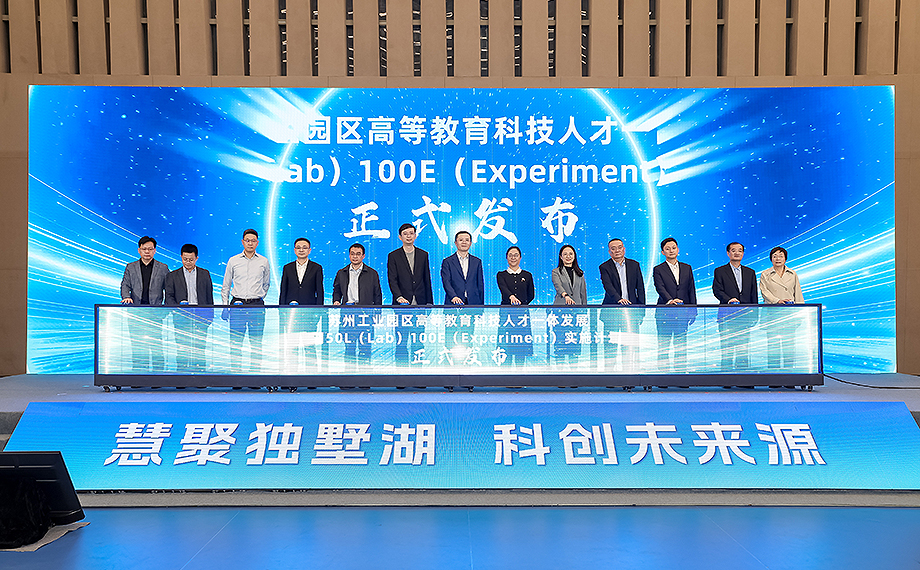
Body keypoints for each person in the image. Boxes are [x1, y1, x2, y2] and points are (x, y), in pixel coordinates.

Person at [221, 229, 271, 374]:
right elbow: (226, 286)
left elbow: (266, 284)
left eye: (253, 241)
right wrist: (225, 306)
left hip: (256, 305)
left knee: (256, 343)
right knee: (236, 343)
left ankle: (255, 375)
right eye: (247, 240)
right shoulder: (233, 260)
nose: (250, 243)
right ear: (243, 242)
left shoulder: (263, 261)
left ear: (257, 243)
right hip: (237, 305)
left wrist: (258, 297)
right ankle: (236, 375)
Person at [120, 236, 170, 372]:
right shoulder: (131, 267)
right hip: (136, 312)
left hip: (155, 313)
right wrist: (126, 297)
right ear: (139, 250)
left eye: (150, 249)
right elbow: (125, 285)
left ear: (155, 250)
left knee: (156, 345)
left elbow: (169, 289)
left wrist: (165, 309)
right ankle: (139, 373)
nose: (147, 252)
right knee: (137, 344)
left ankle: (158, 374)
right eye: (144, 249)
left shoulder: (163, 268)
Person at [386, 223, 433, 365]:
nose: (408, 236)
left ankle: (418, 371)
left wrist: (429, 302)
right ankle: (401, 372)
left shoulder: (423, 254)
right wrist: (398, 296)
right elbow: (392, 279)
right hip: (401, 305)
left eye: (411, 233)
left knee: (418, 340)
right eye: (405, 234)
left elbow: (427, 279)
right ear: (400, 237)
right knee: (402, 339)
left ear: (415, 236)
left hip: (420, 303)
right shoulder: (393, 255)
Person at [164, 244, 214, 373]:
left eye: (191, 259)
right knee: (181, 348)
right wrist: (177, 309)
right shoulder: (172, 275)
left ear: (196, 258)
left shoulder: (205, 274)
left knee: (200, 348)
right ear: (181, 257)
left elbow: (209, 296)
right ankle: (181, 375)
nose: (188, 262)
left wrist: (209, 317)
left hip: (201, 317)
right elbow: (169, 296)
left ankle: (200, 375)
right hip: (181, 317)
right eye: (185, 259)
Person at [278, 237, 324, 373]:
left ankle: (312, 376)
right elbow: (283, 291)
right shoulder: (287, 268)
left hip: (309, 315)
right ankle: (292, 376)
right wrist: (282, 313)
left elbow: (320, 292)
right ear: (294, 250)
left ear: (309, 250)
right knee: (293, 347)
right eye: (298, 247)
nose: (301, 250)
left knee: (309, 347)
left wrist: (318, 314)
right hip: (291, 315)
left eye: (304, 247)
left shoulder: (316, 268)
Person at [599, 238, 646, 370]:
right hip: (611, 312)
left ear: (624, 249)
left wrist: (641, 311)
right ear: (609, 252)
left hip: (631, 313)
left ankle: (628, 374)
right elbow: (608, 286)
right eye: (613, 248)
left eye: (619, 247)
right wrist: (619, 299)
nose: (617, 250)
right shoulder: (604, 267)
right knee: (611, 346)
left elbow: (640, 289)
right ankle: (609, 374)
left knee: (629, 345)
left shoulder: (634, 265)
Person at [332, 243, 382, 364]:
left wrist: (377, 313)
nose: (355, 256)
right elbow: (336, 290)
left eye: (358, 254)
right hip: (348, 314)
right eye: (352, 254)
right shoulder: (341, 272)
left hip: (365, 314)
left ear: (363, 256)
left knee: (365, 348)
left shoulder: (372, 273)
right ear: (349, 255)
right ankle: (348, 375)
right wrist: (336, 300)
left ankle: (365, 375)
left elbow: (377, 295)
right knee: (349, 348)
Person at [652, 237, 697, 371]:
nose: (671, 251)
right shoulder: (658, 269)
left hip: (682, 313)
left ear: (678, 249)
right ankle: (663, 375)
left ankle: (680, 374)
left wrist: (693, 311)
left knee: (681, 345)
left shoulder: (687, 268)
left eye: (673, 248)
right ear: (662, 252)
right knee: (664, 345)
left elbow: (691, 289)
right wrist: (670, 300)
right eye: (667, 249)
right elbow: (659, 287)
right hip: (664, 312)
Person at [712, 241, 758, 372]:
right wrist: (729, 299)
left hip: (745, 316)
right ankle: (726, 375)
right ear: (728, 253)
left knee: (743, 347)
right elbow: (717, 290)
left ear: (743, 253)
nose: (737, 253)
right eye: (733, 250)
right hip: (726, 316)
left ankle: (742, 375)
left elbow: (753, 295)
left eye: (740, 250)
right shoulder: (720, 271)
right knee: (727, 347)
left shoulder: (750, 272)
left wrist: (755, 315)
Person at [759, 246, 805, 370]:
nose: (778, 259)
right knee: (773, 345)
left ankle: (789, 373)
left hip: (789, 313)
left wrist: (800, 313)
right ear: (771, 259)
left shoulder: (792, 273)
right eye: (775, 256)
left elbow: (798, 293)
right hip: (772, 313)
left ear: (785, 258)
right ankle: (773, 374)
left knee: (789, 345)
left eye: (780, 256)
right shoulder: (765, 274)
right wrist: (777, 301)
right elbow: (764, 292)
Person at [497, 246, 535, 365]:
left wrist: (521, 304)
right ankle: (505, 373)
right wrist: (511, 297)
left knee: (521, 345)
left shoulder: (527, 275)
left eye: (516, 255)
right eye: (510, 255)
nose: (513, 257)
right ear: (506, 258)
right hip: (506, 313)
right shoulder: (501, 275)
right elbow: (503, 288)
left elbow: (531, 295)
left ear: (520, 258)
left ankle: (519, 373)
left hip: (521, 314)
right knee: (505, 344)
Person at [550, 245, 587, 363]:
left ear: (574, 256)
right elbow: (558, 286)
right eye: (565, 254)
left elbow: (583, 293)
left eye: (571, 254)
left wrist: (584, 310)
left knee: (574, 343)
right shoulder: (556, 272)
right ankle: (559, 368)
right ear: (561, 257)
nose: (568, 256)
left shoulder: (580, 273)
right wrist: (565, 295)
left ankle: (574, 369)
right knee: (560, 342)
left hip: (576, 312)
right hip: (560, 311)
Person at [441, 230, 484, 305]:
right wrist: (453, 296)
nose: (464, 242)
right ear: (456, 243)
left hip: (474, 302)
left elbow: (480, 284)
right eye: (461, 240)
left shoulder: (477, 262)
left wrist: (481, 305)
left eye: (467, 240)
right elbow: (446, 282)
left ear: (470, 243)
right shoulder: (447, 262)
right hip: (454, 301)